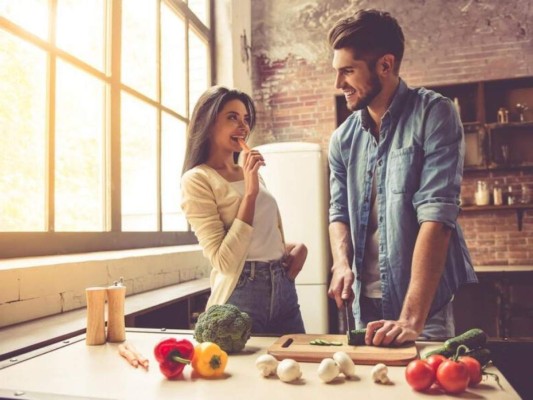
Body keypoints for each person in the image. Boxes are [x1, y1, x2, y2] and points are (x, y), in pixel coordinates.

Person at [327, 9, 477, 346]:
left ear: (385, 65)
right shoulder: (342, 139)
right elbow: (338, 213)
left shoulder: (434, 113)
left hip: (423, 310)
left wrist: (411, 319)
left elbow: (437, 215)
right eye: (337, 72)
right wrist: (340, 263)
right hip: (363, 307)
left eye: (348, 71)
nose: (339, 85)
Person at [180, 85, 306, 334]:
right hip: (242, 293)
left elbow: (259, 238)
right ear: (208, 123)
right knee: (247, 372)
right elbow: (224, 261)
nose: (243, 127)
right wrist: (250, 193)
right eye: (232, 117)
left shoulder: (247, 172)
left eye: (246, 119)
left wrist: (292, 249)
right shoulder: (197, 179)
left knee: (297, 364)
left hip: (283, 288)